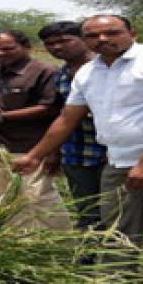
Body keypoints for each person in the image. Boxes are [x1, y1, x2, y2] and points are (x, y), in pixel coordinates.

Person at [14, 15, 143, 284]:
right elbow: (67, 118)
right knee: (117, 225)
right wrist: (35, 155)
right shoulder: (89, 72)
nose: (102, 39)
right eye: (93, 36)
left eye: (112, 32)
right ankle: (117, 282)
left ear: (132, 32)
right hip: (117, 159)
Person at [0, 30, 69, 230]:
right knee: (3, 198)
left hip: (31, 147)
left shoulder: (45, 72)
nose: (0, 53)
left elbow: (49, 109)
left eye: (8, 48)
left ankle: (58, 246)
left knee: (37, 198)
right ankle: (19, 241)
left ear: (27, 47)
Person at [39, 21, 106, 229]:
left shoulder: (106, 70)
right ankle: (90, 254)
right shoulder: (61, 75)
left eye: (65, 41)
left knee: (115, 207)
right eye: (50, 44)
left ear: (84, 39)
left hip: (110, 151)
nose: (57, 47)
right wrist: (54, 152)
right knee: (86, 207)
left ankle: (119, 253)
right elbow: (61, 115)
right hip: (76, 151)